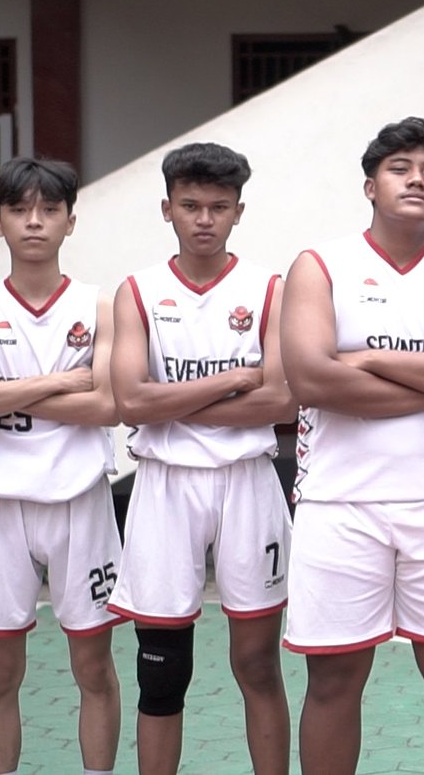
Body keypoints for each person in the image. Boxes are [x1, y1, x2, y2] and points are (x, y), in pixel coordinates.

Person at [281, 117, 424, 775]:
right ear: (370, 186)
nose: (417, 180)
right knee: (333, 678)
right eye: (400, 169)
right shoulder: (320, 265)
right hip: (340, 503)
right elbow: (311, 378)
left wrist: (368, 359)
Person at [107, 142, 295, 775]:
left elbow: (281, 399)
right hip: (166, 484)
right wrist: (231, 381)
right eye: (190, 206)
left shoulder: (269, 288)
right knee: (161, 670)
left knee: (258, 663)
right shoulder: (139, 291)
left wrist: (171, 402)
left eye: (218, 206)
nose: (204, 219)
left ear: (239, 210)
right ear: (168, 209)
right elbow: (130, 402)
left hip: (247, 480)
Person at [0, 157, 124, 775]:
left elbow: (106, 406)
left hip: (80, 501)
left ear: (71, 221)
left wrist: (3, 390)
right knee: (0, 671)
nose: (35, 221)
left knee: (93, 666)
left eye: (49, 209)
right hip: (0, 506)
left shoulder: (100, 306)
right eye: (20, 210)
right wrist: (61, 382)